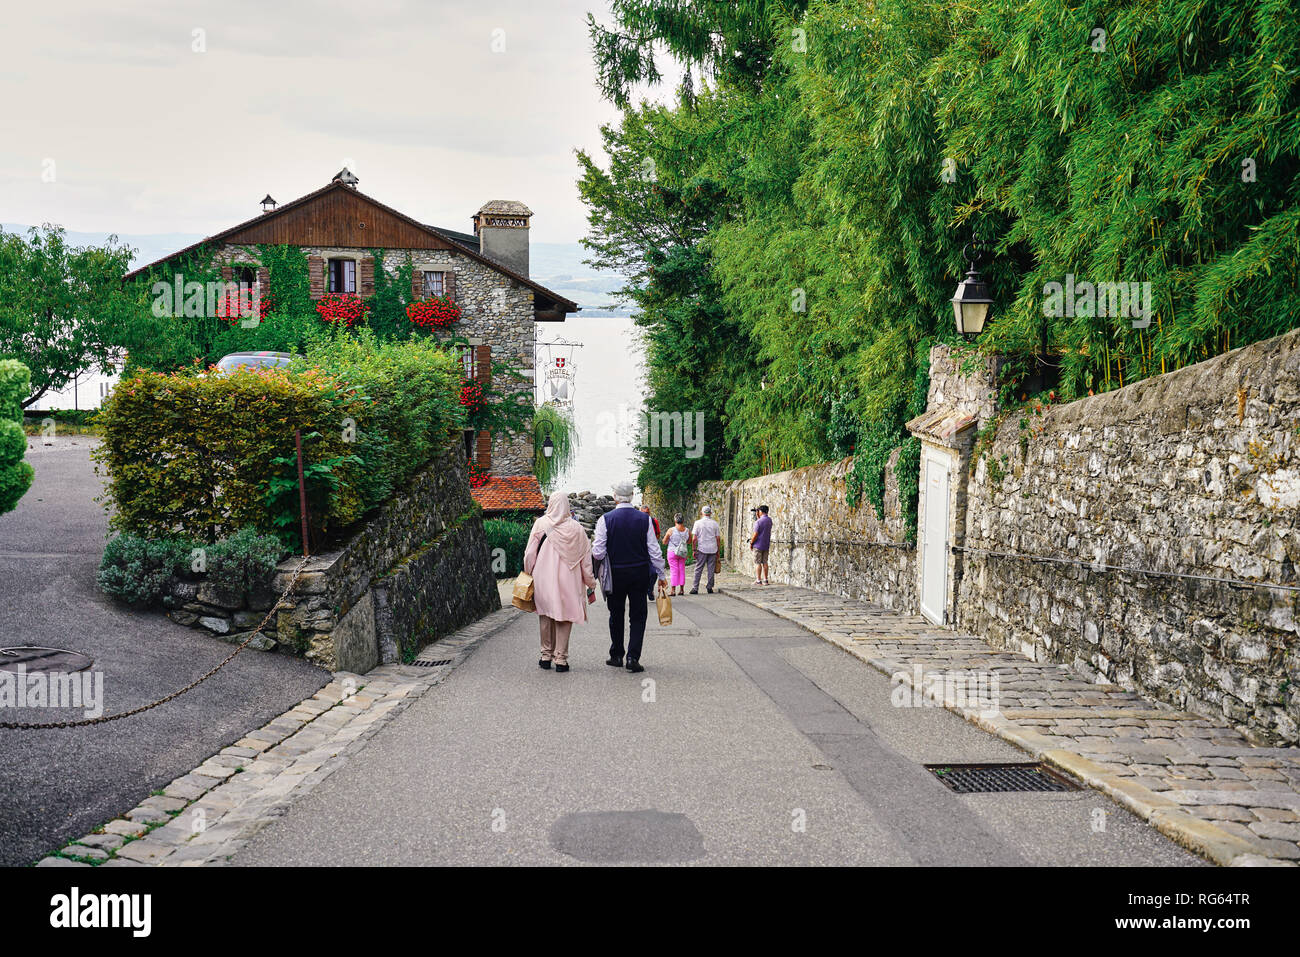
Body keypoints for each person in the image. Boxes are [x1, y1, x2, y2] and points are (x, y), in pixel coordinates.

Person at [591, 480, 666, 673]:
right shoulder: (644, 519)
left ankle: (616, 655)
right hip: (639, 573)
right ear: (632, 496)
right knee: (638, 615)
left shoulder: (605, 519)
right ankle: (633, 657)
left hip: (615, 574)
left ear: (615, 497)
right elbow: (654, 550)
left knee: (616, 614)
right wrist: (662, 574)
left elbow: (598, 552)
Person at [523, 490, 597, 673]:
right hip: (569, 579)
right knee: (565, 617)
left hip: (542, 577)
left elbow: (530, 554)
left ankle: (545, 656)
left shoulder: (541, 524)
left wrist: (528, 572)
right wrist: (591, 584)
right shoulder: (577, 529)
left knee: (545, 614)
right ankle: (561, 659)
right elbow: (586, 561)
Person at [689, 505, 721, 594]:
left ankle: (695, 588)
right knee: (711, 569)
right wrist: (718, 550)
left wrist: (694, 549)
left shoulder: (697, 523)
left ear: (702, 513)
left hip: (702, 548)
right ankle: (710, 587)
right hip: (713, 548)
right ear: (710, 513)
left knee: (698, 568)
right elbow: (718, 538)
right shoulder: (715, 523)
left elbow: (694, 538)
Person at [661, 513, 690, 596]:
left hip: (672, 552)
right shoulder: (687, 530)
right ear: (683, 520)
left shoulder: (671, 530)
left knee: (674, 571)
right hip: (683, 552)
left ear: (675, 520)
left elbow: (664, 541)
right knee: (682, 570)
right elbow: (689, 541)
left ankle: (673, 590)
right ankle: (681, 590)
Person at [640, 505, 662, 600]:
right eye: (644, 513)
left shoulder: (654, 521)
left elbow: (657, 534)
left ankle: (650, 588)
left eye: (648, 513)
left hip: (651, 550)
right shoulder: (637, 521)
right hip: (640, 550)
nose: (646, 515)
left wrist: (652, 543)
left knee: (653, 572)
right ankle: (643, 590)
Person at [750, 504, 772, 585]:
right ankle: (765, 580)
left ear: (760, 511)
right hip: (766, 544)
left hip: (758, 545)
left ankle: (758, 580)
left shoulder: (758, 522)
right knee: (765, 562)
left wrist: (751, 543)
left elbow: (755, 534)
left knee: (758, 563)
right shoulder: (769, 520)